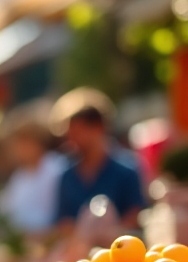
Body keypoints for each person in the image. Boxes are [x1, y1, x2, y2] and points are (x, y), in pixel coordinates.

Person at [53, 89, 145, 231]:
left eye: (77, 132)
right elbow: (64, 223)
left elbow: (135, 216)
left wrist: (106, 234)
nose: (71, 140)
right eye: (69, 134)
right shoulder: (67, 176)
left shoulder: (127, 171)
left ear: (98, 128)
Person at [0, 116, 66, 235]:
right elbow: (7, 209)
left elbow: (54, 216)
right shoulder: (19, 175)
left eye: (23, 143)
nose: (18, 149)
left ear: (37, 142)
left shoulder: (57, 169)